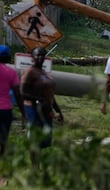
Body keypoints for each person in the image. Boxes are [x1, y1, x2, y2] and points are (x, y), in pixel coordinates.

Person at [21, 47, 63, 163]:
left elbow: (50, 95)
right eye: (37, 55)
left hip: (46, 109)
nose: (40, 57)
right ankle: (34, 167)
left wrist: (58, 110)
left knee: (44, 140)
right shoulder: (30, 71)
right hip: (33, 109)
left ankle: (38, 163)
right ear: (32, 57)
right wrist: (38, 99)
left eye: (42, 55)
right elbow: (22, 93)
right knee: (35, 138)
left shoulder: (44, 72)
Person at [0, 45, 25, 178]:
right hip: (5, 111)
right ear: (8, 58)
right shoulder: (12, 73)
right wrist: (23, 112)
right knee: (3, 141)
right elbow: (18, 94)